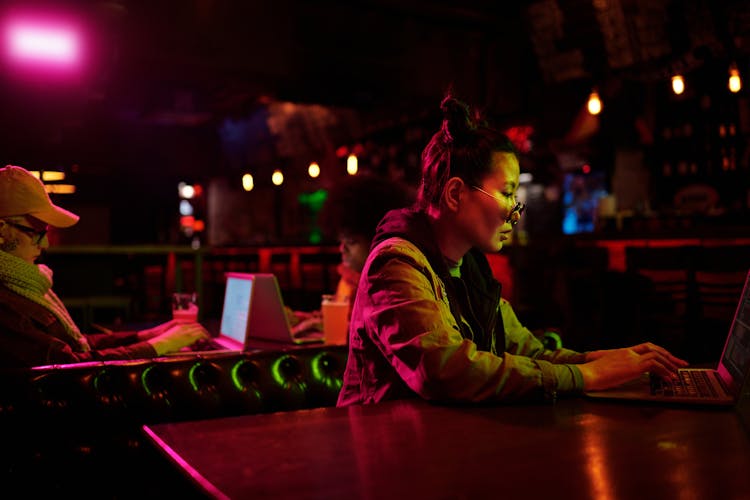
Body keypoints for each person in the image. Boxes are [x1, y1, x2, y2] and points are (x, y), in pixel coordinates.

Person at [337, 94, 687, 406]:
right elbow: (443, 370)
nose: (516, 210)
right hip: (383, 455)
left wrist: (608, 362)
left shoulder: (470, 267)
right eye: (507, 193)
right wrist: (587, 377)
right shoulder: (396, 264)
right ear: (456, 194)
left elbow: (528, 352)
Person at [0, 165, 209, 367]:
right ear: (2, 230)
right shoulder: (5, 302)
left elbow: (78, 345)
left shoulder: (24, 284)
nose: (45, 243)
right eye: (36, 231)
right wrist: (160, 345)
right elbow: (69, 366)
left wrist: (146, 336)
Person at [286, 172, 415, 334]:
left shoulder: (393, 285)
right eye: (341, 241)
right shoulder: (349, 277)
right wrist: (303, 319)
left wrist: (330, 327)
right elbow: (340, 317)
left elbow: (383, 333)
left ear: (378, 240)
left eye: (351, 242)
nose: (342, 249)